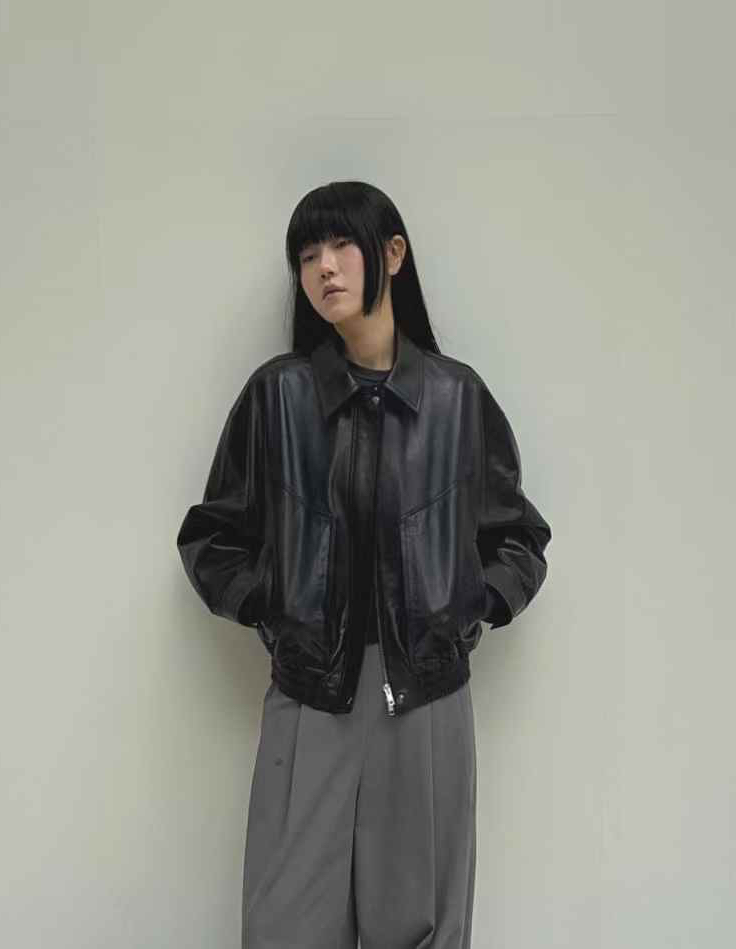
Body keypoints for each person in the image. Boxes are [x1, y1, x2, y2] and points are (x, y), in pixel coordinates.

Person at [176, 180, 552, 948]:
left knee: (420, 925)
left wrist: (465, 606)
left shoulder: (455, 398)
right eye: (306, 253)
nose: (323, 267)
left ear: (393, 253)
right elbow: (211, 536)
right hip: (310, 692)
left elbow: (518, 538)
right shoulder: (278, 396)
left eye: (341, 244)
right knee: (284, 924)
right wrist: (274, 605)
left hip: (426, 699)